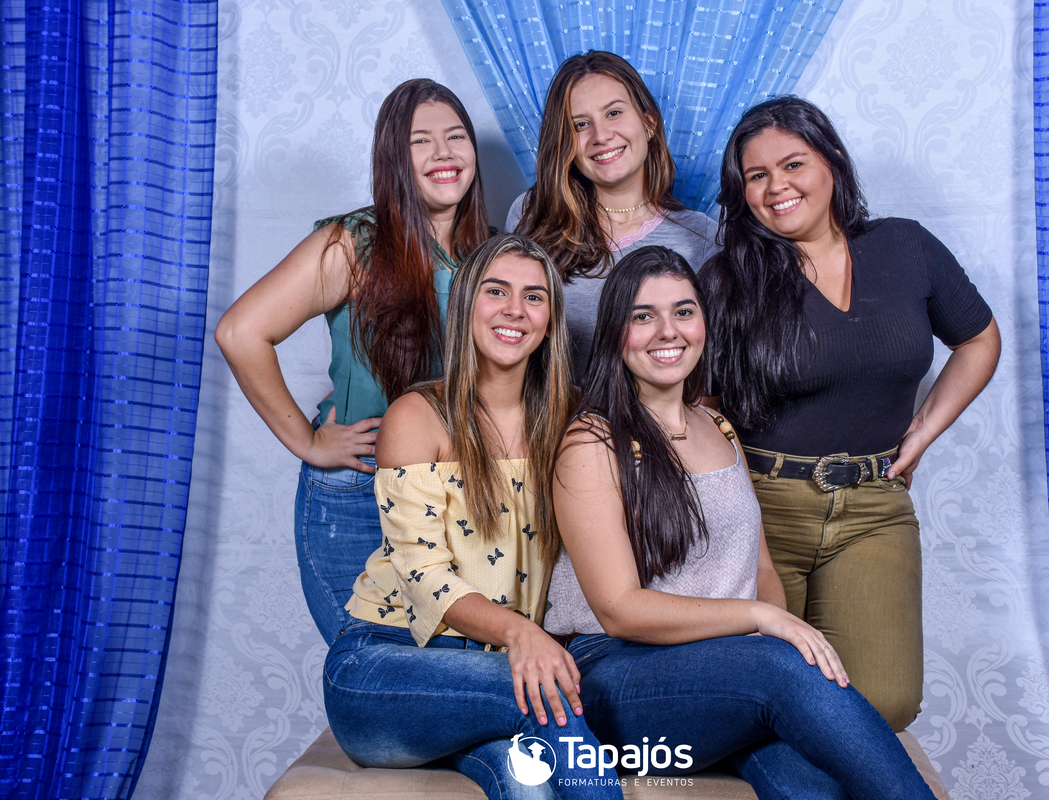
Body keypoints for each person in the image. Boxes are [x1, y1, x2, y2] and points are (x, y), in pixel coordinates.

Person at [547, 246, 939, 800]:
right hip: (615, 676)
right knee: (780, 667)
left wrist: (761, 625)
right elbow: (619, 609)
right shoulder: (592, 441)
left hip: (721, 673)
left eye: (684, 311)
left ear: (704, 323)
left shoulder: (719, 425)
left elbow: (761, 569)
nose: (668, 331)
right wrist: (760, 621)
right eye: (643, 316)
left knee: (810, 782)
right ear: (615, 333)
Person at [699, 97, 1002, 732]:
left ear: (832, 160)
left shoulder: (905, 246)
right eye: (757, 176)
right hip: (762, 505)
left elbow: (979, 339)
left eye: (793, 164)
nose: (777, 186)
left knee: (884, 702)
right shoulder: (728, 279)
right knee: (761, 698)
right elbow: (697, 408)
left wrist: (924, 431)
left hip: (874, 506)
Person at [323, 234, 623, 800]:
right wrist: (522, 633)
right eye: (496, 291)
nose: (515, 309)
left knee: (527, 781)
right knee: (548, 693)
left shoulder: (576, 418)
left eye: (534, 297)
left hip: (499, 671)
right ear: (466, 306)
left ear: (551, 322)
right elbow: (423, 575)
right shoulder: (419, 415)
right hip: (385, 665)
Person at [214, 79, 489, 644]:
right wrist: (309, 442)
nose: (443, 153)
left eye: (456, 136)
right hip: (359, 493)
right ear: (393, 158)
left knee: (451, 667)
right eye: (420, 141)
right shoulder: (353, 243)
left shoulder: (492, 255)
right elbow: (240, 332)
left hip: (459, 494)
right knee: (369, 666)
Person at [509, 50, 718, 379]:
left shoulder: (702, 237)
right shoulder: (532, 215)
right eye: (580, 124)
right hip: (552, 410)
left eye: (614, 113)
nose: (601, 135)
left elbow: (712, 373)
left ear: (649, 122)